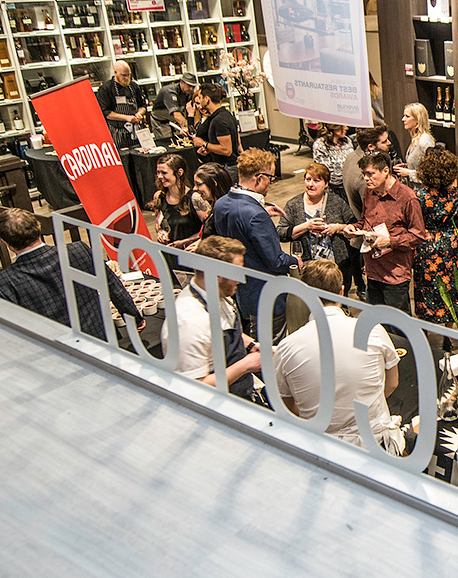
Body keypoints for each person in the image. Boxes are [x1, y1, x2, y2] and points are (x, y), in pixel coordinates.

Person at [274, 258, 402, 448]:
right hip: (376, 444)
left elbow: (289, 406)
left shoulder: (286, 348)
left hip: (321, 448)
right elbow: (392, 383)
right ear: (342, 291)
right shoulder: (372, 330)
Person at [0, 207, 141, 341]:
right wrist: (134, 317)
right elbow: (112, 285)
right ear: (38, 227)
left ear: (6, 243)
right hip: (101, 338)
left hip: (56, 354)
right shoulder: (78, 251)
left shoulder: (3, 283)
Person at [211, 148, 298, 337]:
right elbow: (276, 261)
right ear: (259, 178)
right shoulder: (255, 215)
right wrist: (295, 261)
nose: (271, 184)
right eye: (271, 178)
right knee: (270, 351)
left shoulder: (221, 204)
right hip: (266, 295)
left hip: (240, 291)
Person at [165, 235, 264, 400]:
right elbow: (192, 388)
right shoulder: (188, 322)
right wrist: (246, 365)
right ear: (217, 275)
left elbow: (224, 328)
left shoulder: (220, 294)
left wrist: (250, 344)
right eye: (236, 272)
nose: (241, 279)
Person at [345, 149, 427, 315]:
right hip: (372, 271)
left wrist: (390, 241)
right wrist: (355, 228)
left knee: (398, 329)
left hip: (394, 274)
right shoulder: (370, 191)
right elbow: (366, 221)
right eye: (363, 174)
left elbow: (418, 235)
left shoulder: (407, 198)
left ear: (385, 170)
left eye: (370, 174)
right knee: (377, 324)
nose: (366, 179)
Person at [411, 146, 458, 328]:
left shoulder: (419, 196)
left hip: (426, 245)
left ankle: (426, 331)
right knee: (450, 287)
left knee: (426, 288)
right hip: (450, 243)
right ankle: (448, 334)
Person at [275, 162, 356, 269]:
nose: (310, 184)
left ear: (326, 183)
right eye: (308, 179)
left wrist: (337, 227)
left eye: (316, 181)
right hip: (307, 266)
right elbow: (280, 233)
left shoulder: (337, 202)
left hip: (337, 266)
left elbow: (354, 226)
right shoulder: (293, 205)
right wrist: (306, 226)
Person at [148, 153, 205, 250]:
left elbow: (209, 228)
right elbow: (159, 223)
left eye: (164, 173)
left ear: (180, 172)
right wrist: (160, 232)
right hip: (170, 252)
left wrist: (187, 241)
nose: (160, 176)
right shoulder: (159, 197)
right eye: (158, 172)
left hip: (191, 252)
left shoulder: (195, 198)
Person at [96, 60, 147, 149]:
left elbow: (142, 106)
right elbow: (106, 113)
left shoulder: (134, 86)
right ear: (115, 72)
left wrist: (139, 113)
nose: (127, 78)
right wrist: (126, 118)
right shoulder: (106, 89)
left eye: (129, 75)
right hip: (118, 132)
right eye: (123, 75)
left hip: (136, 130)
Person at [191, 82, 241, 173]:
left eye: (201, 97)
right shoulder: (225, 114)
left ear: (207, 99)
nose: (200, 100)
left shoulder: (219, 120)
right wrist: (210, 149)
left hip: (228, 168)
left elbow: (227, 150)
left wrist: (204, 144)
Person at [343, 125, 391, 218]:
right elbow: (374, 212)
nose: (389, 143)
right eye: (384, 142)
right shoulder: (366, 175)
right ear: (371, 147)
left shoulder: (351, 156)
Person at [393, 101, 436, 181]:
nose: (403, 119)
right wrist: (406, 167)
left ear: (417, 120)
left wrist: (409, 173)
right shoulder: (416, 138)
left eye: (407, 116)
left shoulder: (425, 141)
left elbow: (432, 174)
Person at [151, 72, 197, 143]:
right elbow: (177, 115)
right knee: (168, 142)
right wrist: (190, 127)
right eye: (189, 85)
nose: (191, 89)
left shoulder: (190, 93)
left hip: (176, 121)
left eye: (193, 87)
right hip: (161, 121)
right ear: (182, 82)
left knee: (181, 141)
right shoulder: (169, 91)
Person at [191, 162, 233, 240]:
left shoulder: (225, 210)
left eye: (198, 184)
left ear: (213, 183)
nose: (194, 188)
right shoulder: (215, 205)